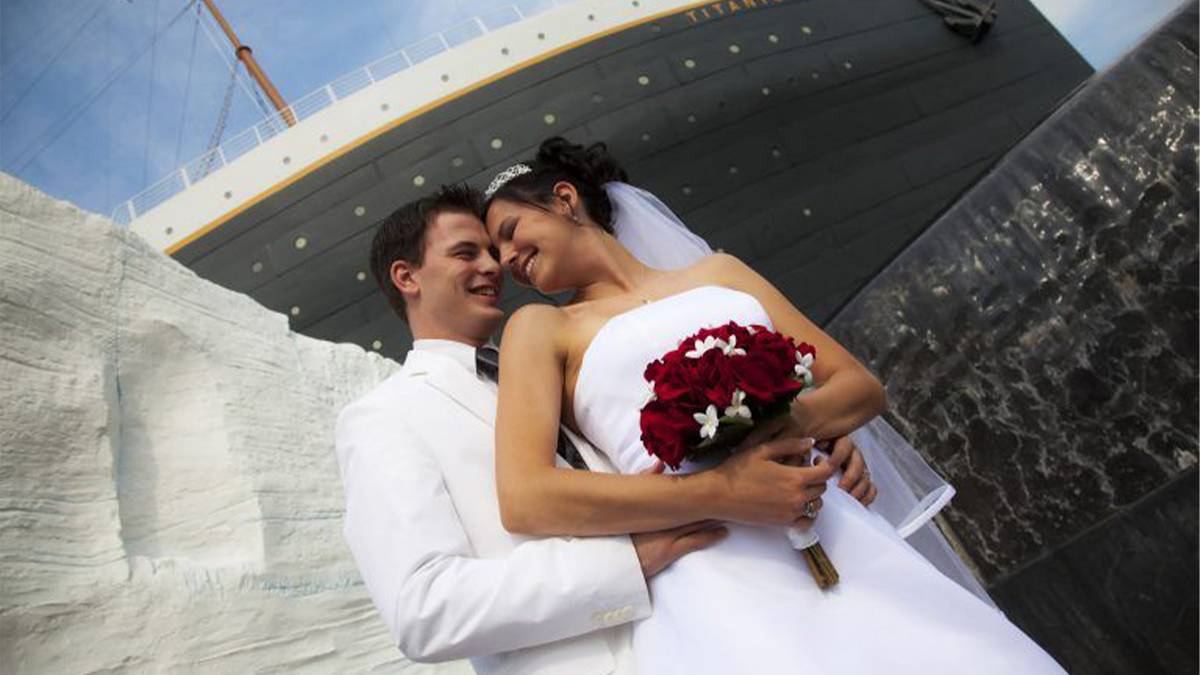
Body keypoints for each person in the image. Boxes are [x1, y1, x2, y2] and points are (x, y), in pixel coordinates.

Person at [482, 138, 1069, 674]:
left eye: (510, 231)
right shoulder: (540, 327)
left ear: (563, 200)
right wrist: (721, 488)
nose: (505, 259)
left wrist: (786, 422)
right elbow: (527, 497)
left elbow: (858, 386)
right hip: (717, 565)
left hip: (828, 517)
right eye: (495, 251)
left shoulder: (719, 273)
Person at [335, 184, 878, 675]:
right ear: (407, 277)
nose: (495, 265)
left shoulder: (560, 366)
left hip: (744, 614)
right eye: (466, 253)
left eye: (495, 250)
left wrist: (796, 432)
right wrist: (626, 563)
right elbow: (424, 609)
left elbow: (672, 448)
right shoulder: (385, 416)